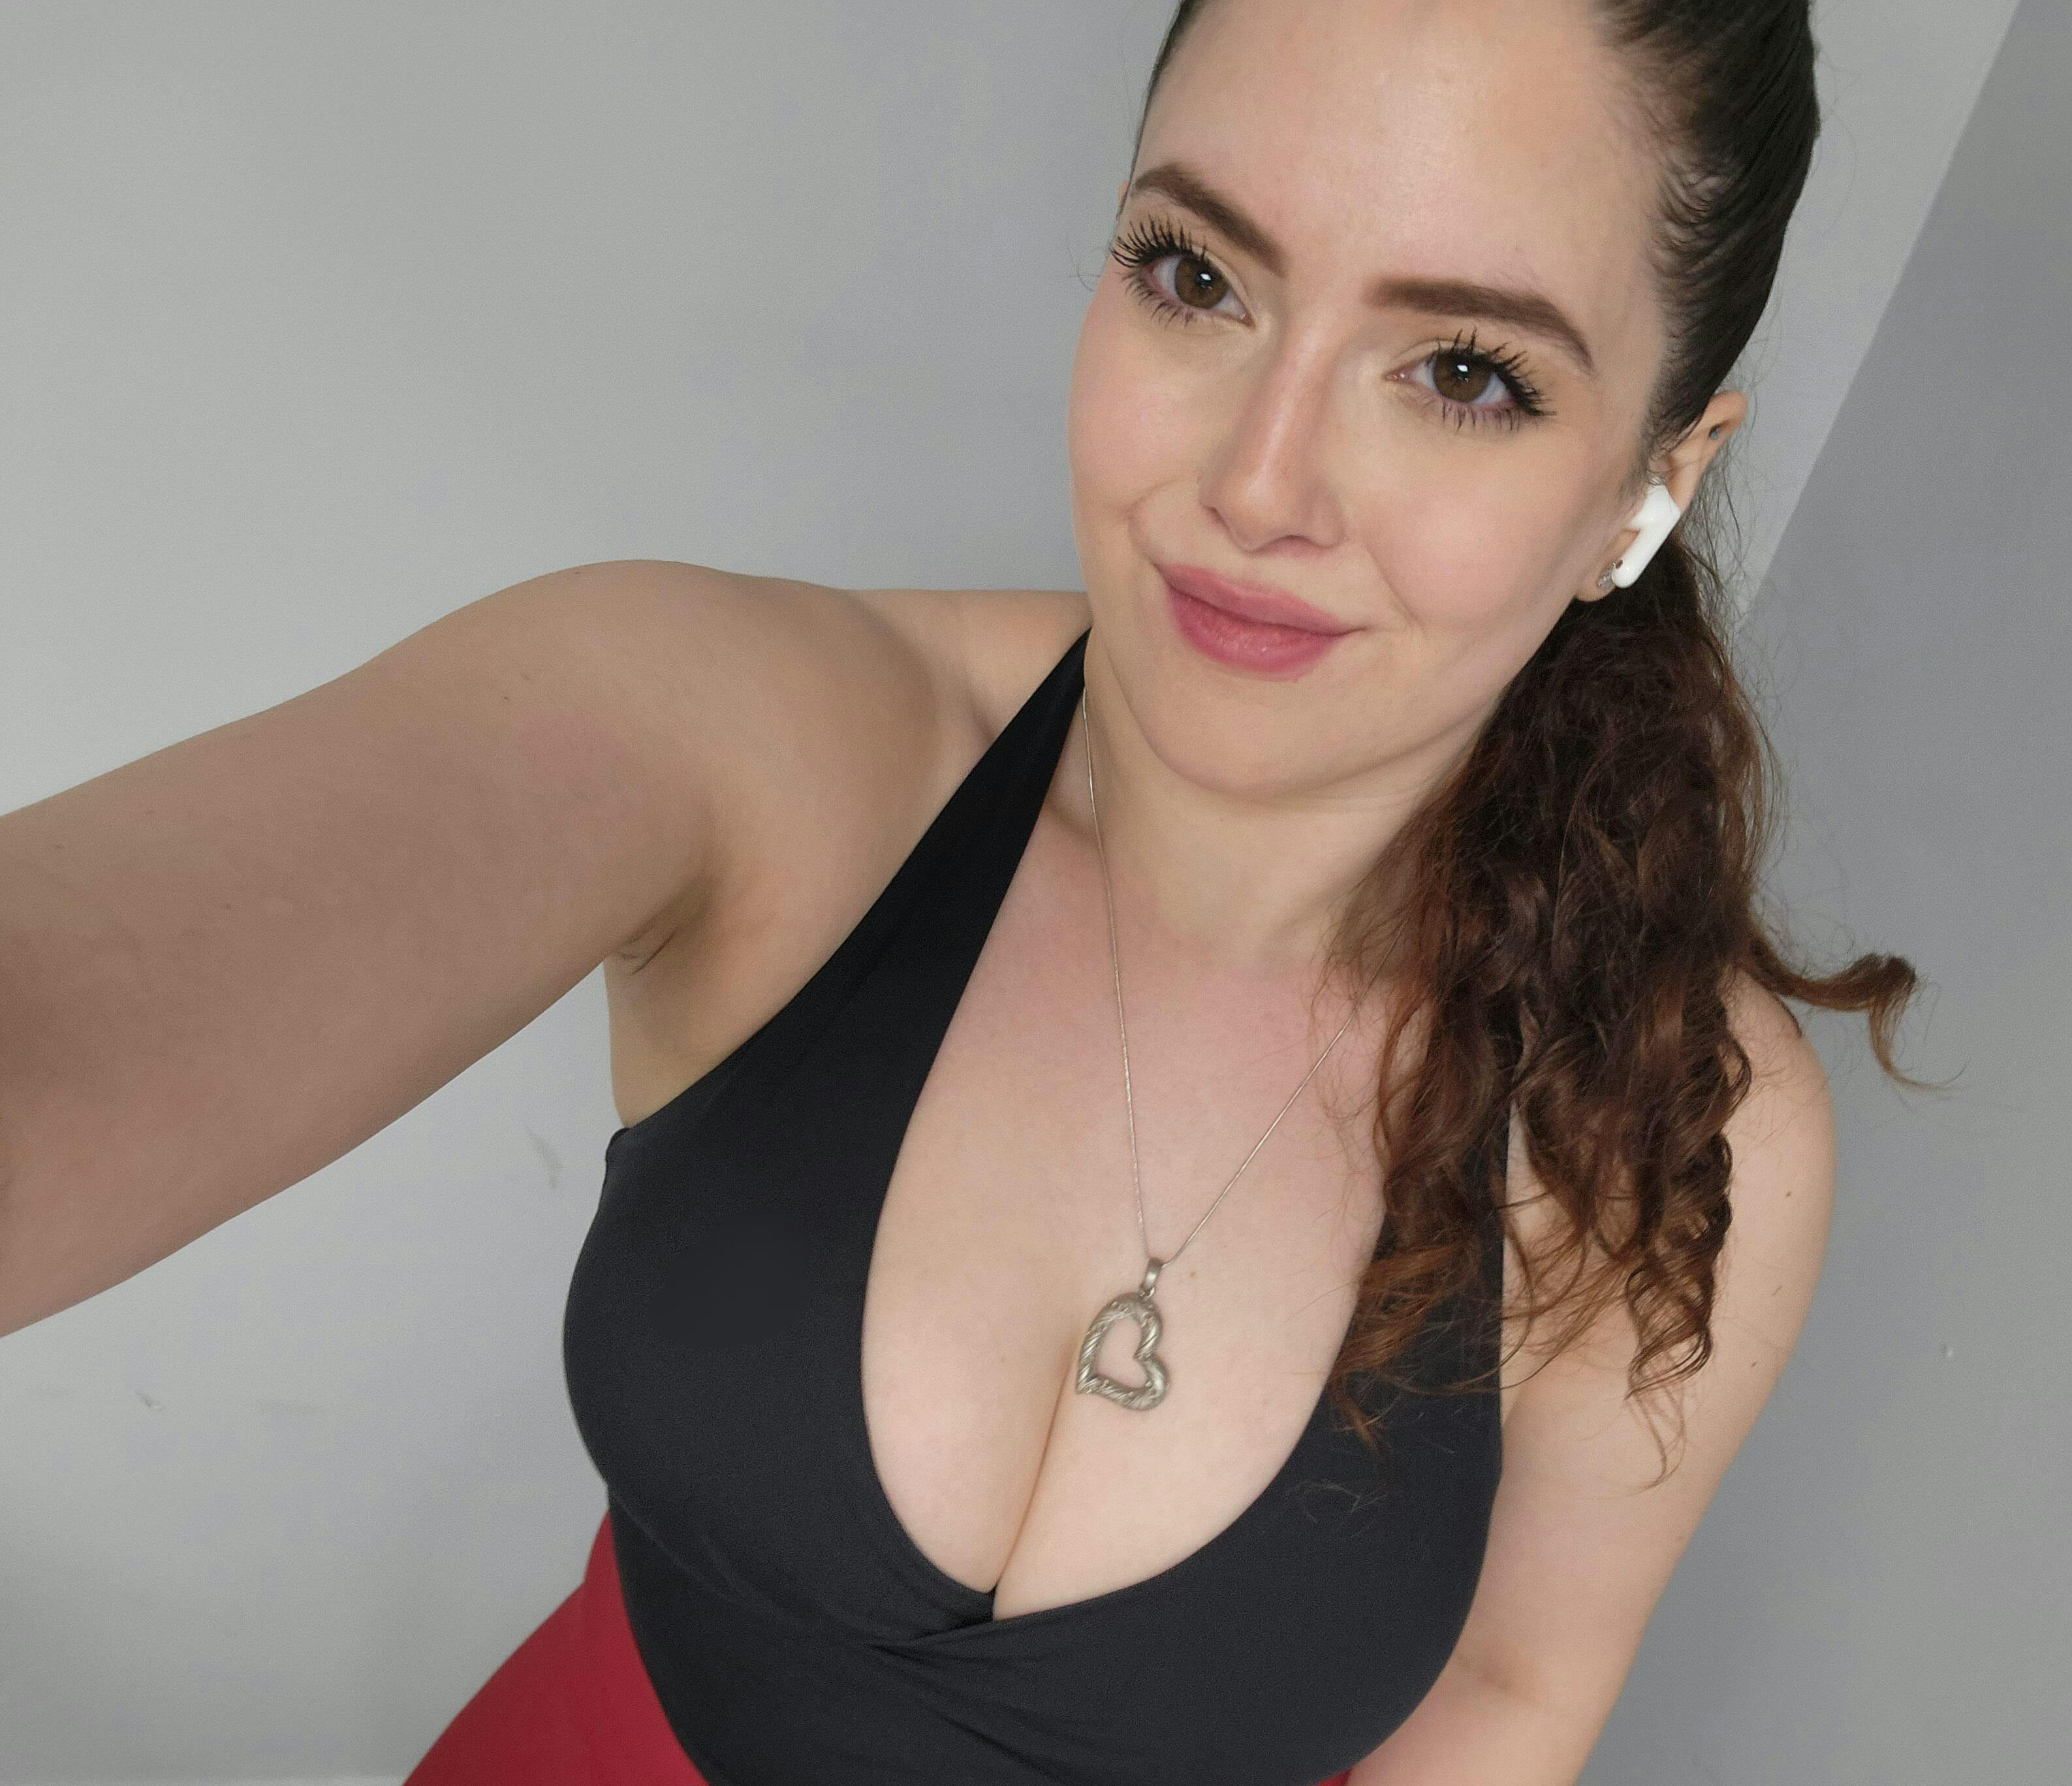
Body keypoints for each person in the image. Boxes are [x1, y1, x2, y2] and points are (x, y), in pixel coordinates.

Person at [0, 0, 1924, 1779]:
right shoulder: (773, 744)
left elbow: (1512, 1690)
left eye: (1465, 373)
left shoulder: (1679, 1115)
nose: (1259, 484)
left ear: (1654, 481)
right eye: (1197, 275)